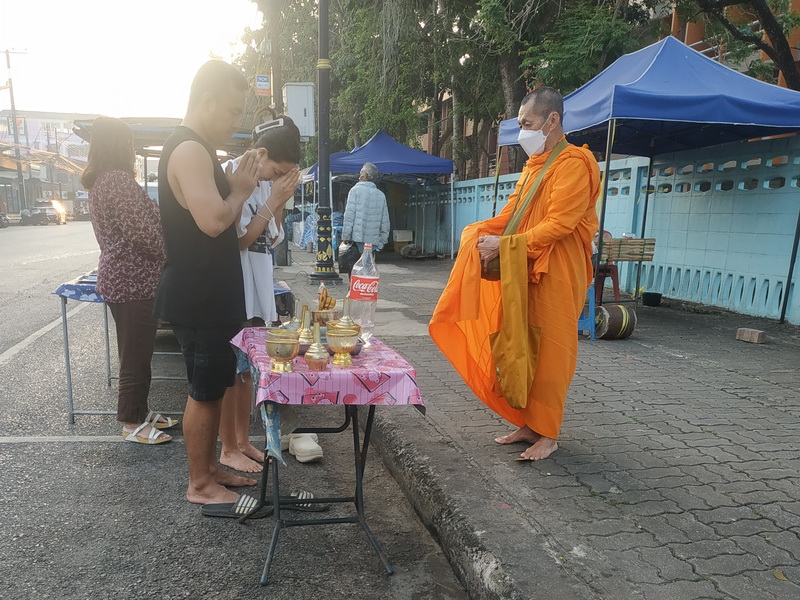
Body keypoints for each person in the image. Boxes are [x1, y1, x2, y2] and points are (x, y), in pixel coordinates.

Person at [429, 87, 600, 461]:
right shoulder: (535, 166)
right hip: (525, 268)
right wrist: (478, 234)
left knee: (551, 354)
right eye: (521, 123)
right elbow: (512, 215)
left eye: (527, 123)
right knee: (521, 346)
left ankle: (548, 435)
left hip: (558, 270)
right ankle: (528, 423)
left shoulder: (574, 163)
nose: (522, 131)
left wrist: (504, 245)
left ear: (552, 120)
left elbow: (560, 224)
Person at [155, 60, 261, 505]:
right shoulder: (189, 150)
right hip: (199, 297)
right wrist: (239, 189)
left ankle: (210, 468)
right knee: (203, 390)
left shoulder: (197, 149)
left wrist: (238, 191)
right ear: (206, 101)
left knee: (214, 385)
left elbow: (222, 227)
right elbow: (214, 221)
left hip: (209, 296)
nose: (236, 121)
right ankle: (199, 484)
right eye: (233, 111)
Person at [218, 117, 312, 472]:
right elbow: (240, 239)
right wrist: (273, 199)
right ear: (261, 153)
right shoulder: (233, 174)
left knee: (247, 371)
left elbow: (272, 237)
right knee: (230, 373)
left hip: (258, 287)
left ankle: (243, 441)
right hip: (235, 286)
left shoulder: (264, 184)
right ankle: (228, 447)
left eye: (283, 176)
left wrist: (279, 200)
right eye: (277, 171)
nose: (277, 179)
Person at [82, 116, 175, 445]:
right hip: (132, 280)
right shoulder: (117, 181)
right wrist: (174, 251)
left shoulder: (104, 180)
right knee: (135, 354)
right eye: (128, 142)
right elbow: (143, 233)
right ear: (118, 144)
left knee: (138, 351)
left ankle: (140, 411)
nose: (132, 149)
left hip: (124, 279)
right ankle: (131, 422)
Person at [342, 162, 390, 253]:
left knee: (359, 260)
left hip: (357, 238)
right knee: (370, 260)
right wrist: (383, 240)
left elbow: (349, 216)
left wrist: (346, 236)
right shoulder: (381, 195)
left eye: (361, 173)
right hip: (374, 239)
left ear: (365, 176)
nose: (359, 175)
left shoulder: (354, 191)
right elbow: (385, 220)